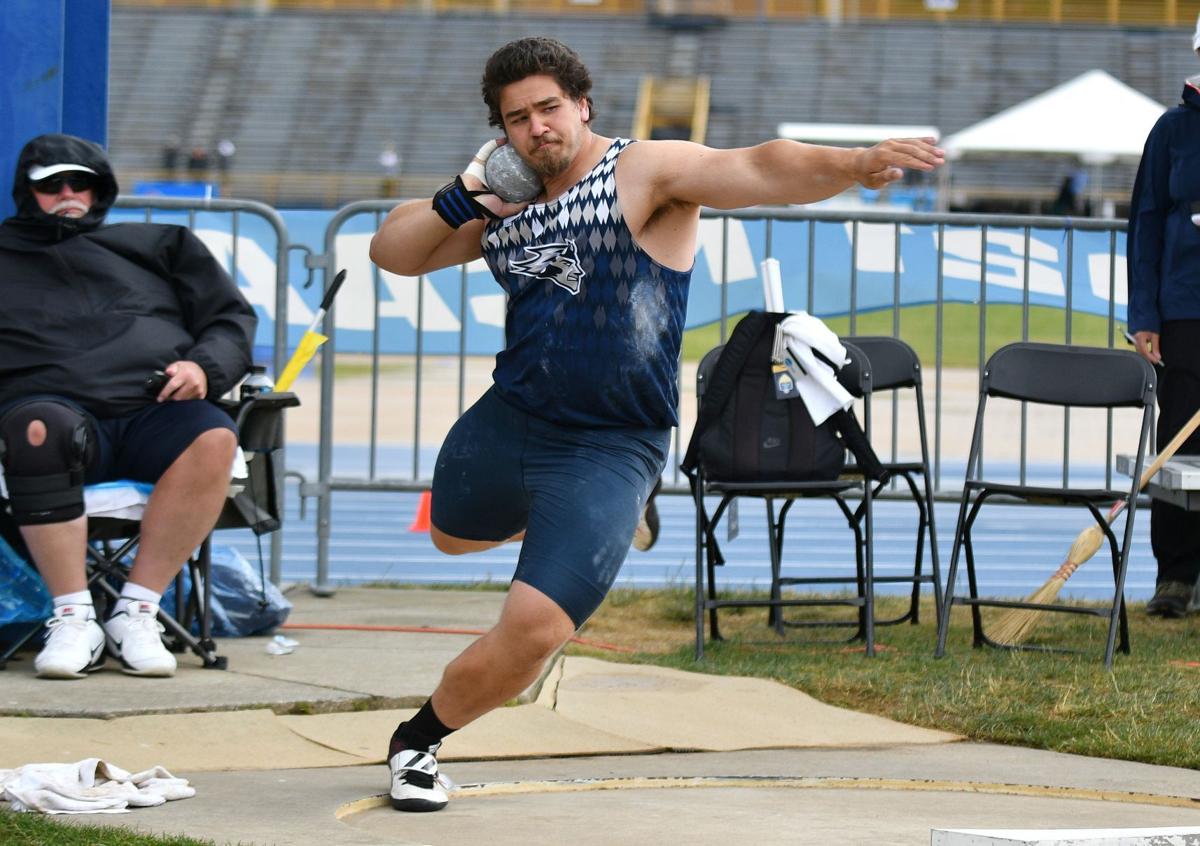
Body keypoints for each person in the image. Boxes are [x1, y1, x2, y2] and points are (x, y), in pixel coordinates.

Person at [369, 36, 943, 812]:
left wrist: (853, 163)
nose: (537, 128)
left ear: (582, 105)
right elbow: (394, 253)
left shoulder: (640, 172)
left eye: (549, 108)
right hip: (512, 419)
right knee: (449, 536)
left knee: (535, 628)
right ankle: (582, 519)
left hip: (612, 441)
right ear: (500, 132)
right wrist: (467, 192)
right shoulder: (504, 203)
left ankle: (418, 742)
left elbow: (759, 167)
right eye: (517, 119)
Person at [0, 133, 257, 678]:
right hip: (51, 414)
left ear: (100, 190)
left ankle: (136, 612)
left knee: (214, 437)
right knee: (38, 427)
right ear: (28, 191)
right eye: (52, 185)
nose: (68, 193)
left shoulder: (161, 244)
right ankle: (72, 617)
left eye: (81, 183)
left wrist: (203, 368)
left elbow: (228, 321)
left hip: (151, 406)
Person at [1127, 67, 1200, 618]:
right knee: (1179, 440)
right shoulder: (1171, 129)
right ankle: (1175, 575)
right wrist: (1144, 314)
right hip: (1183, 310)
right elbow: (1146, 221)